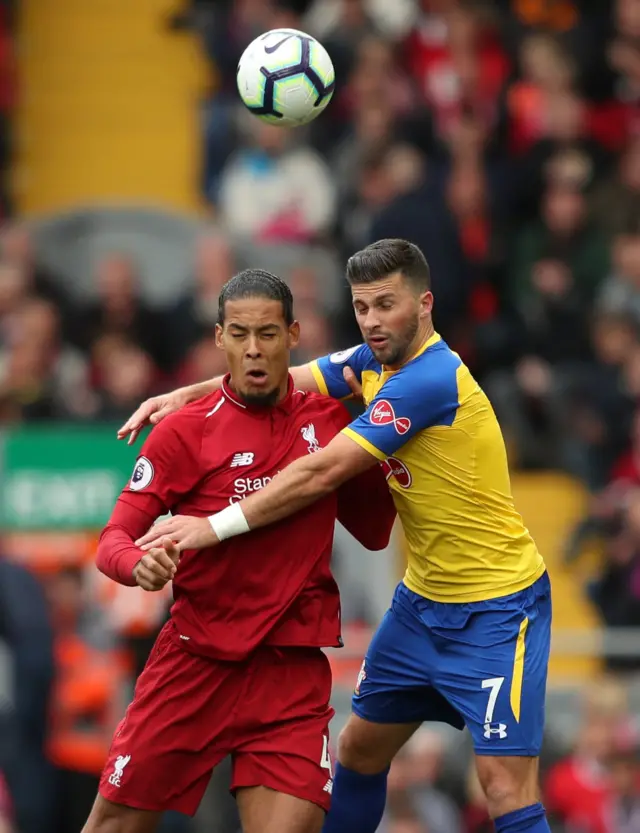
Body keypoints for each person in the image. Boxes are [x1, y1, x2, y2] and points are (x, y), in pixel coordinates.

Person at [124, 239, 553, 833]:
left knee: (503, 786)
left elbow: (321, 470)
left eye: (386, 304)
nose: (373, 321)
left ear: (424, 304)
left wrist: (211, 527)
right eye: (362, 307)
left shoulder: (429, 379)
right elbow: (286, 377)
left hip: (499, 609)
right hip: (422, 605)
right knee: (357, 751)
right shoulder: (372, 360)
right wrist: (186, 395)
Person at [83, 269, 397, 833]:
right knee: (113, 827)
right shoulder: (184, 431)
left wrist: (378, 430)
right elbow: (112, 542)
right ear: (219, 339)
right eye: (240, 334)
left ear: (294, 335)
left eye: (269, 334)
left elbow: (375, 532)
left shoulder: (328, 425)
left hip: (288, 672)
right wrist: (140, 565)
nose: (254, 350)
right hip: (195, 662)